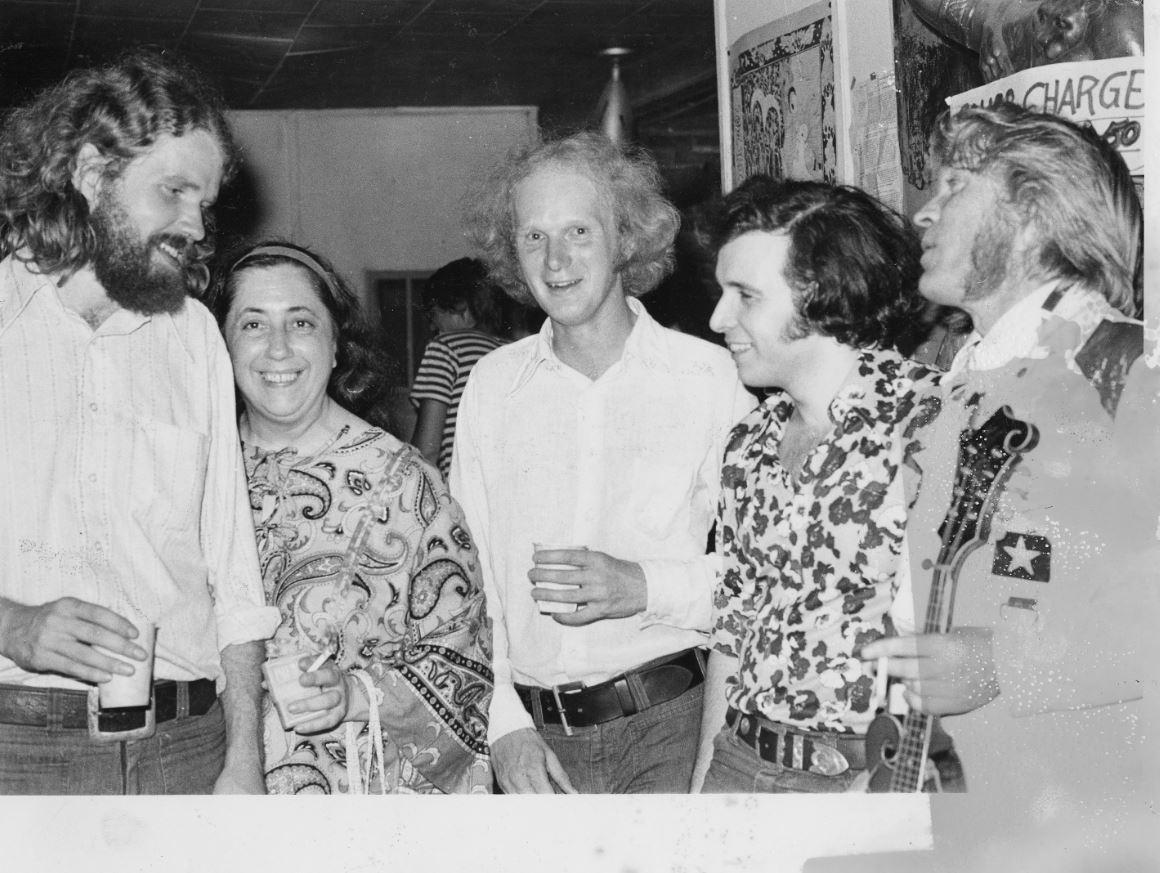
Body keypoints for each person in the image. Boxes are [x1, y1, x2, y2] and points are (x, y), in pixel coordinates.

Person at [861, 104, 1158, 849]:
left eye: (956, 185)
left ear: (1031, 214)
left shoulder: (1125, 369)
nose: (924, 211)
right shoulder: (962, 380)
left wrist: (1002, 663)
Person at [0, 50, 279, 794]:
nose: (194, 224)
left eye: (205, 201)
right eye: (174, 191)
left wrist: (243, 757)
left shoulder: (191, 336)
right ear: (92, 175)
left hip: (185, 747)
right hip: (19, 751)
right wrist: (11, 624)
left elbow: (233, 569)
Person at [453, 131, 753, 794]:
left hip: (668, 730)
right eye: (534, 236)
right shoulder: (492, 386)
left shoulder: (708, 378)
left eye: (579, 231)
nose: (556, 260)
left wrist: (643, 585)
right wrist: (503, 727)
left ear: (626, 237)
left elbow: (767, 579)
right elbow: (466, 586)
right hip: (533, 743)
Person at [207, 241, 493, 794]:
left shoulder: (407, 486)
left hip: (354, 816)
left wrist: (359, 694)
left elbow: (468, 674)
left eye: (301, 322)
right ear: (221, 344)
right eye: (252, 325)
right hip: (207, 796)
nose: (278, 349)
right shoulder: (193, 477)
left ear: (337, 343)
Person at [692, 178, 942, 794]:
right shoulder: (747, 442)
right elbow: (734, 627)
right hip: (740, 760)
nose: (718, 318)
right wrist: (703, 787)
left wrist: (886, 787)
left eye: (745, 295)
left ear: (822, 293)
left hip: (866, 776)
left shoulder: (934, 422)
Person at [410, 257, 507, 479]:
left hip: (459, 495)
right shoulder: (509, 350)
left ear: (462, 310)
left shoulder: (445, 348)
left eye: (433, 315)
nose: (432, 327)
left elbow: (428, 448)